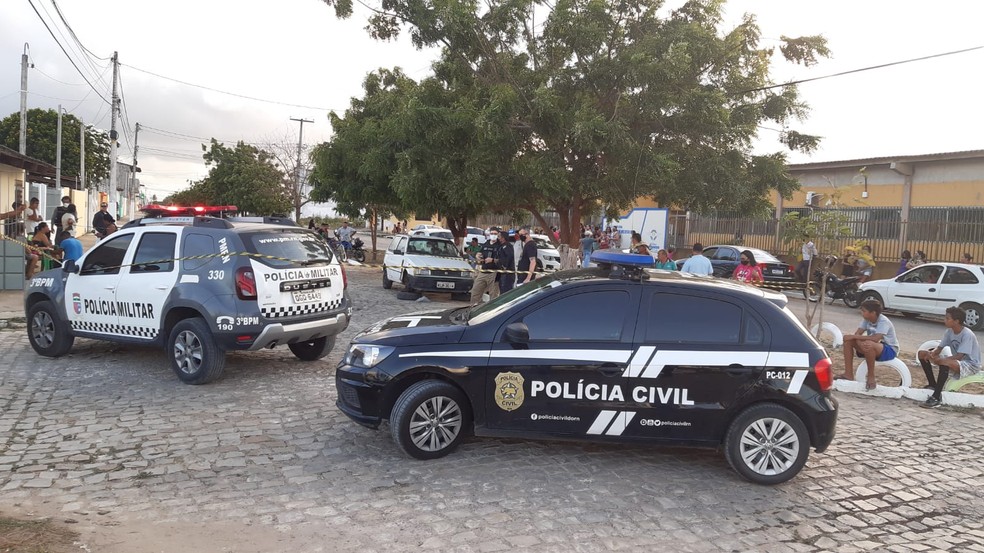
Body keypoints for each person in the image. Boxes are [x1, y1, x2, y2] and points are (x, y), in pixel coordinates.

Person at [919, 306, 982, 408]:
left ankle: (936, 397)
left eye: (947, 318)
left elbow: (960, 356)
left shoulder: (967, 334)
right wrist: (932, 354)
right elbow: (939, 348)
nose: (945, 320)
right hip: (957, 361)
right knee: (922, 354)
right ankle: (932, 385)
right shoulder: (949, 331)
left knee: (945, 362)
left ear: (956, 321)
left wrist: (941, 360)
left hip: (971, 365)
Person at [839, 299, 900, 391]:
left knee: (869, 344)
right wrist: (858, 342)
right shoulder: (866, 320)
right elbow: (858, 333)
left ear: (873, 313)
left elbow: (876, 338)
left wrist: (854, 337)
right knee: (849, 342)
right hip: (872, 346)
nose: (861, 313)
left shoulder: (883, 321)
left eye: (864, 311)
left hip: (889, 349)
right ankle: (848, 374)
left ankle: (871, 377)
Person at [471, 229, 501, 304]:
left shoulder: (500, 245)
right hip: (483, 271)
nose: (493, 235)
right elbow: (479, 252)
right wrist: (478, 255)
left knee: (493, 295)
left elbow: (503, 259)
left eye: (495, 233)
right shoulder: (486, 243)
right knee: (475, 291)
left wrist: (493, 260)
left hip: (494, 272)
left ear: (498, 235)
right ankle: (474, 308)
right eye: (492, 233)